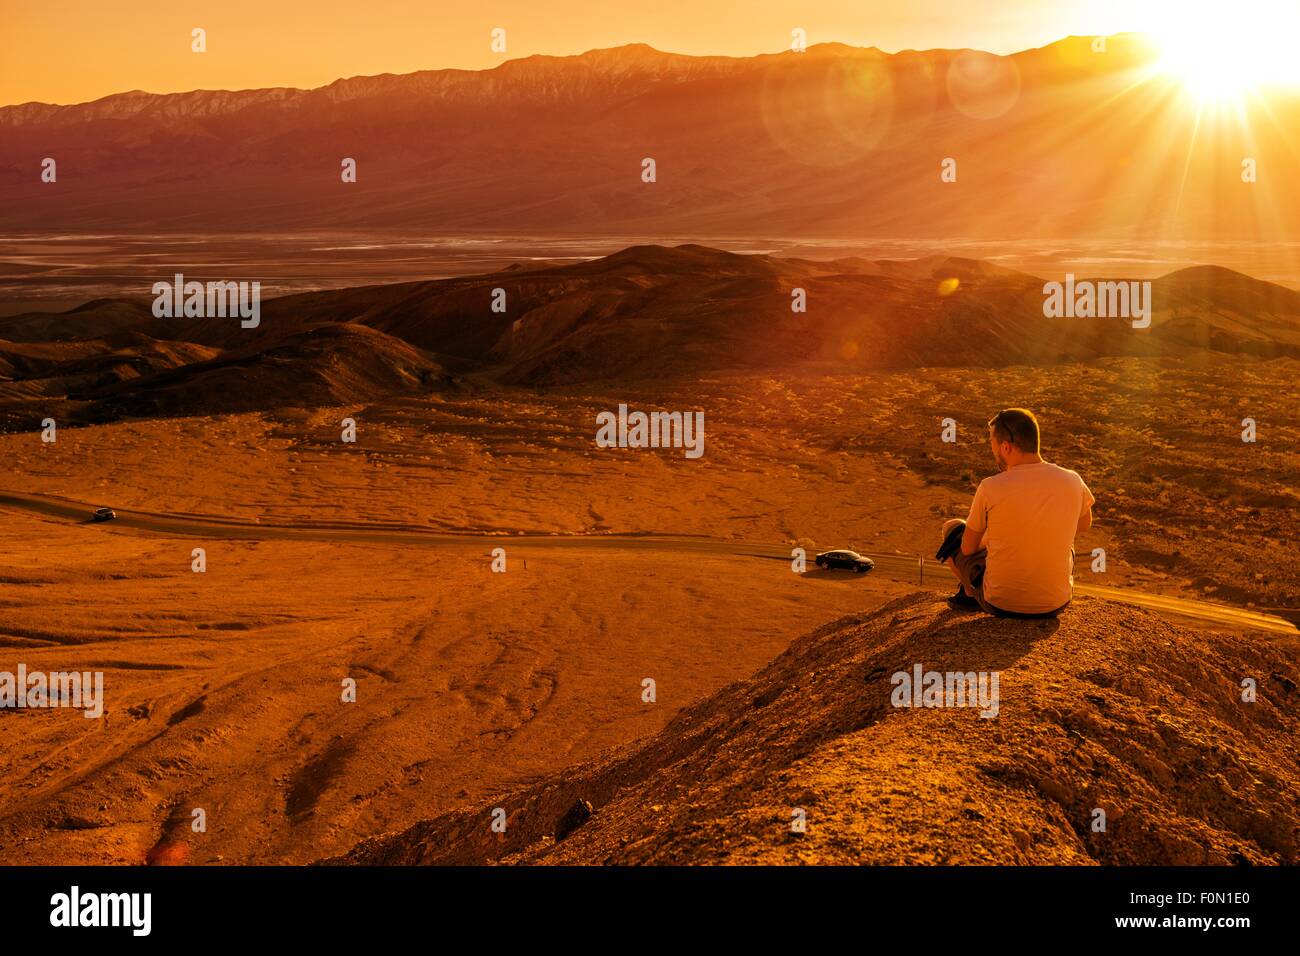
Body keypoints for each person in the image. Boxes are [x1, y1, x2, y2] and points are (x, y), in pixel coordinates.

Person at [938, 408, 1094, 617]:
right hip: (1056, 605)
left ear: (1005, 447)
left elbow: (967, 549)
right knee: (1067, 542)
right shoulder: (1073, 480)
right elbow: (1084, 525)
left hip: (1000, 604)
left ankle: (968, 594)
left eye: (992, 444)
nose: (992, 450)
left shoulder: (990, 486)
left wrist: (992, 538)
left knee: (952, 529)